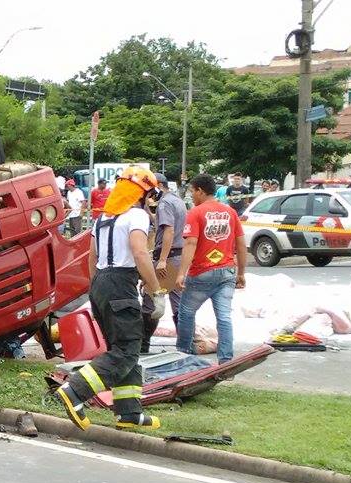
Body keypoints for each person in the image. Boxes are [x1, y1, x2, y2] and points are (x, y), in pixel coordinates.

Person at [53, 166, 166, 431]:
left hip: (101, 282)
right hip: (121, 283)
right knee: (126, 351)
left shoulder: (103, 219)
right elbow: (140, 253)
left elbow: (92, 257)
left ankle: (129, 412)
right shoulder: (136, 215)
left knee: (124, 350)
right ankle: (75, 391)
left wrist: (98, 288)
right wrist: (156, 289)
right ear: (144, 194)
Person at [175, 174, 247, 365]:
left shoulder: (196, 213)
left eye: (192, 191)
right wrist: (241, 273)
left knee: (187, 313)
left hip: (201, 273)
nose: (192, 196)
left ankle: (183, 355)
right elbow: (241, 244)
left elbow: (190, 243)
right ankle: (225, 360)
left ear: (200, 190)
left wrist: (181, 273)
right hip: (227, 272)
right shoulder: (230, 212)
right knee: (224, 316)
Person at [140, 173, 187, 353]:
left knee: (150, 300)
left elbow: (168, 230)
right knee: (178, 303)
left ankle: (143, 345)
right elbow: (162, 224)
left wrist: (161, 260)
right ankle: (184, 345)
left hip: (167, 258)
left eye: (151, 190)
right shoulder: (177, 201)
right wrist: (147, 210)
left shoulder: (165, 203)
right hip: (178, 256)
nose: (150, 194)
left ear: (159, 185)